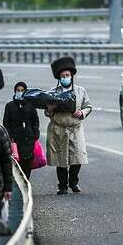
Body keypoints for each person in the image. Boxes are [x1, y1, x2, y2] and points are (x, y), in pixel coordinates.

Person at [47, 57, 93, 195]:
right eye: (62, 76)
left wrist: (82, 112)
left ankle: (74, 182)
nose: (65, 78)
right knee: (60, 159)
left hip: (75, 129)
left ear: (71, 76)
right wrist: (50, 108)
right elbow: (46, 112)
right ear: (59, 78)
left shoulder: (80, 91)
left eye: (67, 75)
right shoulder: (52, 93)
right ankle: (62, 186)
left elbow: (89, 106)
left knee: (77, 156)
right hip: (58, 129)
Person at [3, 81, 40, 179]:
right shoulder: (10, 106)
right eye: (18, 90)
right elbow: (6, 122)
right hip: (15, 140)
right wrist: (9, 136)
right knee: (16, 163)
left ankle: (26, 183)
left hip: (29, 139)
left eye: (22, 90)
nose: (20, 92)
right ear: (15, 91)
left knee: (27, 164)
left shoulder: (30, 105)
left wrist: (35, 133)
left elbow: (35, 120)